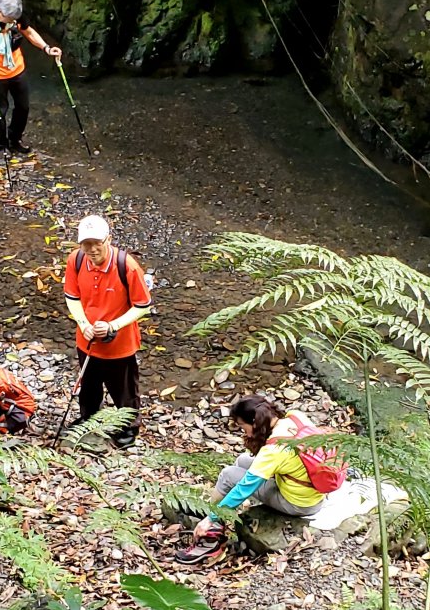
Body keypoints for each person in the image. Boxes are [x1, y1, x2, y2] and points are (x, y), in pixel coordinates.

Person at [176, 394, 327, 565]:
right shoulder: (295, 417)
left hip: (298, 503)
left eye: (242, 426)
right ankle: (218, 510)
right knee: (241, 461)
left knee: (228, 476)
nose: (243, 432)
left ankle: (211, 536)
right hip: (311, 489)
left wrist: (211, 518)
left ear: (254, 422)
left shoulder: (273, 450)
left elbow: (243, 489)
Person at [63, 214, 151, 448]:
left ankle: (128, 427)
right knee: (88, 385)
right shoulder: (76, 260)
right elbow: (72, 297)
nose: (91, 250)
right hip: (87, 340)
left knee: (124, 389)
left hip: (120, 344)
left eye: (97, 243)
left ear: (108, 240)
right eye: (86, 244)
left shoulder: (127, 267)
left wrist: (113, 326)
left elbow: (143, 305)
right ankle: (88, 418)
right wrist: (84, 324)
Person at [0, 0, 62, 153]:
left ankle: (15, 139)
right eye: (9, 20)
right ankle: (2, 146)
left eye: (14, 19)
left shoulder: (14, 12)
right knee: (0, 112)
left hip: (17, 68)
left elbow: (28, 32)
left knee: (23, 107)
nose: (13, 22)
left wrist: (46, 48)